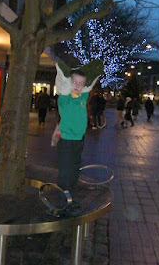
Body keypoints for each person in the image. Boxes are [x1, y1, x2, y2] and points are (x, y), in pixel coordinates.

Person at [56, 64, 99, 216]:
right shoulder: (64, 98)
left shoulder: (83, 97)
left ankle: (70, 199)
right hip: (67, 142)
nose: (78, 86)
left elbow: (91, 81)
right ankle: (62, 203)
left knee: (74, 172)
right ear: (69, 82)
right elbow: (62, 81)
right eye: (75, 82)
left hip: (79, 141)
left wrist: (97, 70)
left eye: (81, 83)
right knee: (65, 174)